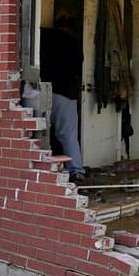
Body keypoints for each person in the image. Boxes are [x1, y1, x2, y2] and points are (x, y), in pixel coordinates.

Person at [40, 13, 87, 184]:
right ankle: (76, 171)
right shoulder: (73, 43)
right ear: (71, 29)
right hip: (66, 93)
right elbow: (77, 70)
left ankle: (43, 168)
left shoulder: (44, 37)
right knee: (68, 134)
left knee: (41, 132)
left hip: (43, 90)